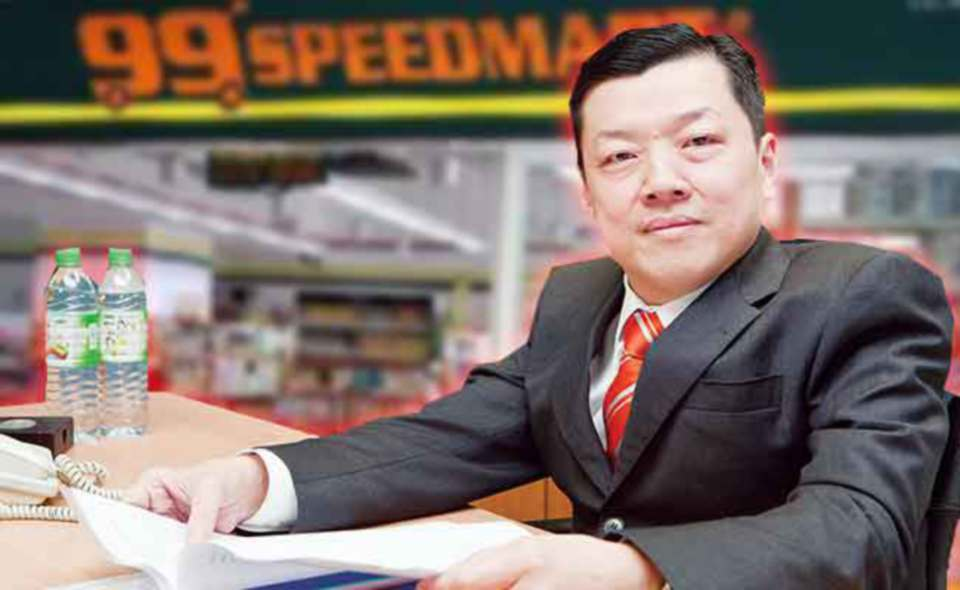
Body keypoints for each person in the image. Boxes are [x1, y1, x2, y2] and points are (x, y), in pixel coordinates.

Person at [124, 24, 954, 589]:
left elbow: (861, 527)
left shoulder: (861, 295)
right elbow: (445, 442)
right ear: (588, 194)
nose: (662, 181)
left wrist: (629, 569)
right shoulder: (578, 299)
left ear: (765, 161)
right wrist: (257, 479)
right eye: (620, 157)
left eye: (699, 143)